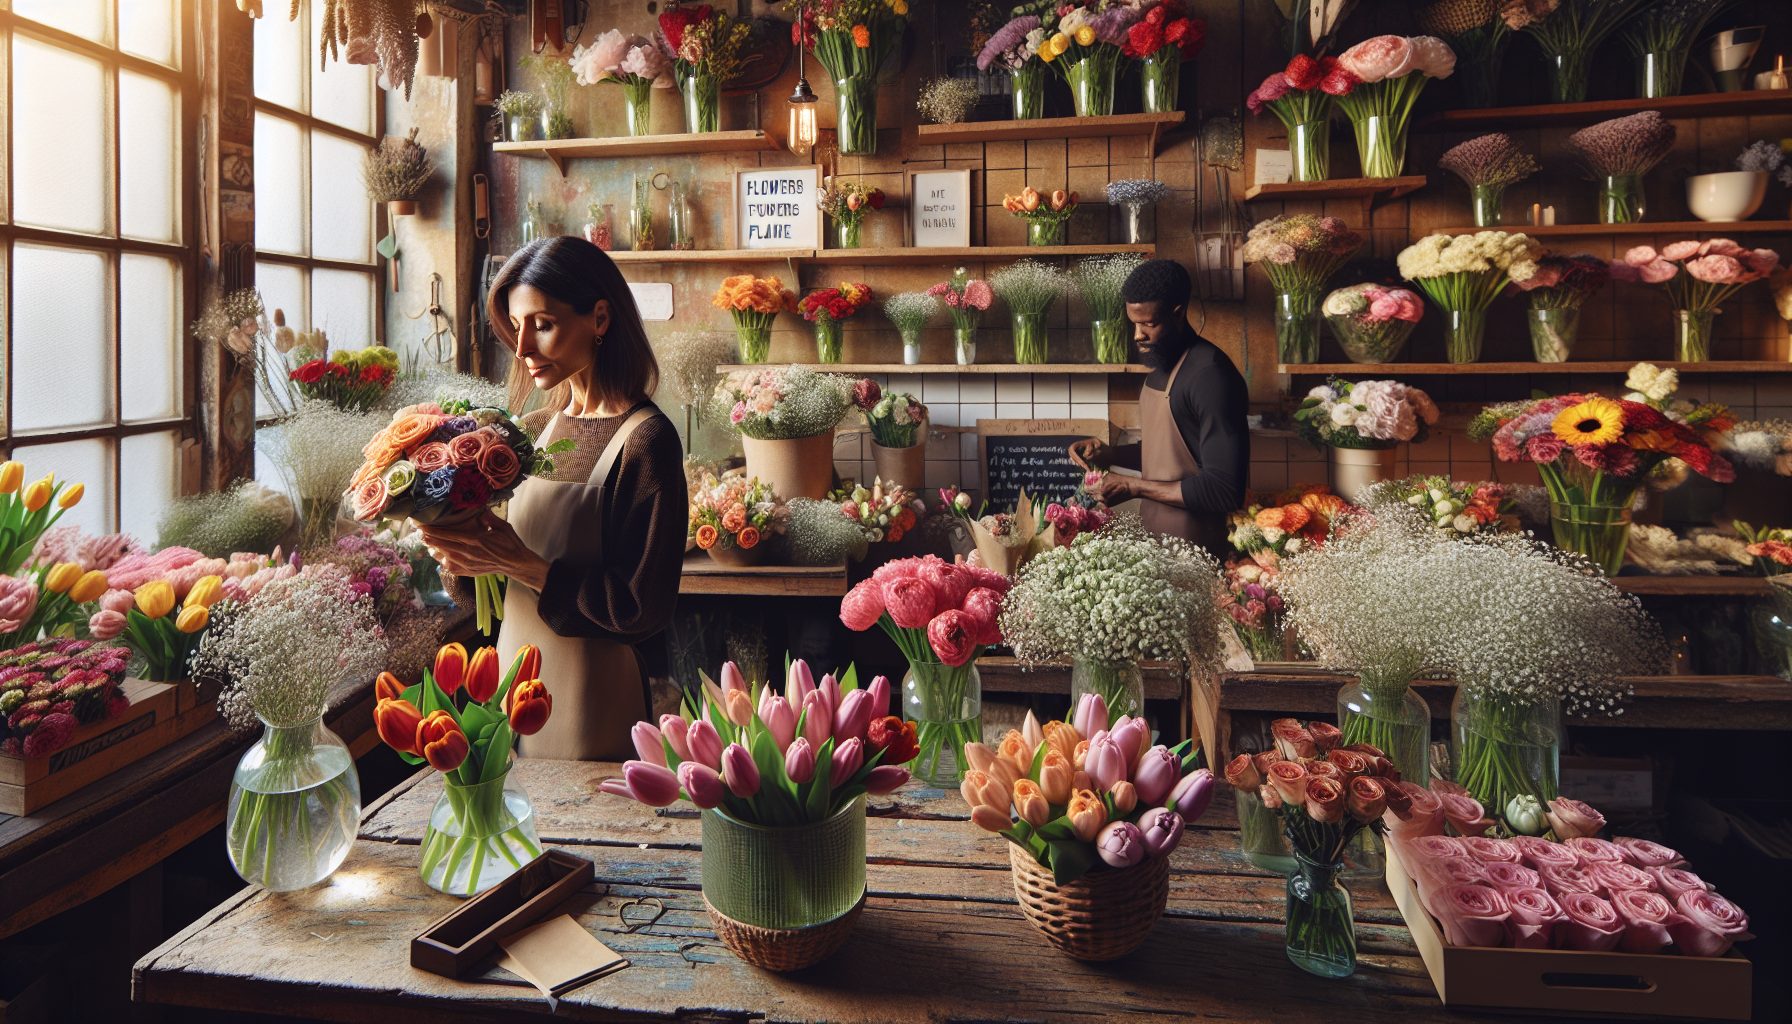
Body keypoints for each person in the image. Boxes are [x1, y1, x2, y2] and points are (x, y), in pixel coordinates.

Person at [421, 236, 687, 761]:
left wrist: (524, 564)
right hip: (507, 682)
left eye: (542, 325)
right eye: (516, 328)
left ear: (601, 319)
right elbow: (487, 594)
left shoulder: (646, 442)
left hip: (591, 698)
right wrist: (462, 555)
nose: (522, 349)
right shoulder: (530, 433)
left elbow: (643, 609)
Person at [1069, 259, 1248, 556]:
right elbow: (1167, 454)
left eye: (1149, 324)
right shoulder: (1162, 365)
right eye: (1134, 323)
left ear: (1177, 314)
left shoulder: (1210, 375)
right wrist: (1109, 453)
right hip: (1158, 546)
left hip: (1199, 551)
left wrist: (1133, 486)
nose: (1138, 335)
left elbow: (1223, 489)